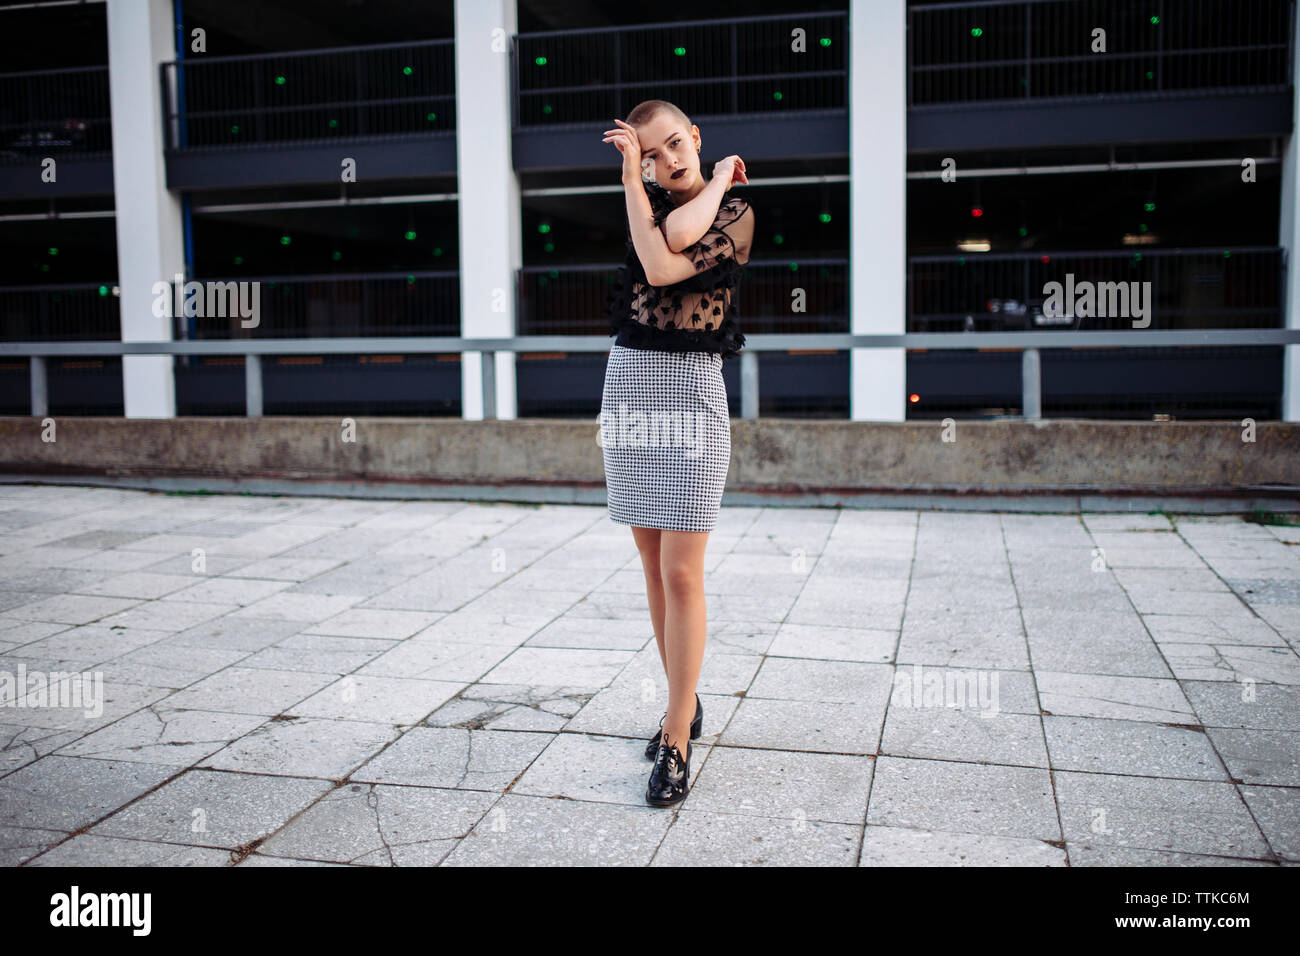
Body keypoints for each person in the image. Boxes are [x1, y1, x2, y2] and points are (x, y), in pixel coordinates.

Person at [599, 99, 755, 807]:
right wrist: (636, 181)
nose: (667, 158)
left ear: (694, 136)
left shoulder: (735, 213)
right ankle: (682, 704)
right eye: (652, 153)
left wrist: (720, 181)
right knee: (652, 570)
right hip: (632, 386)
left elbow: (671, 265)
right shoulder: (646, 205)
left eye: (673, 143)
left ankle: (677, 736)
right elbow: (659, 261)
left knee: (681, 573)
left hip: (692, 392)